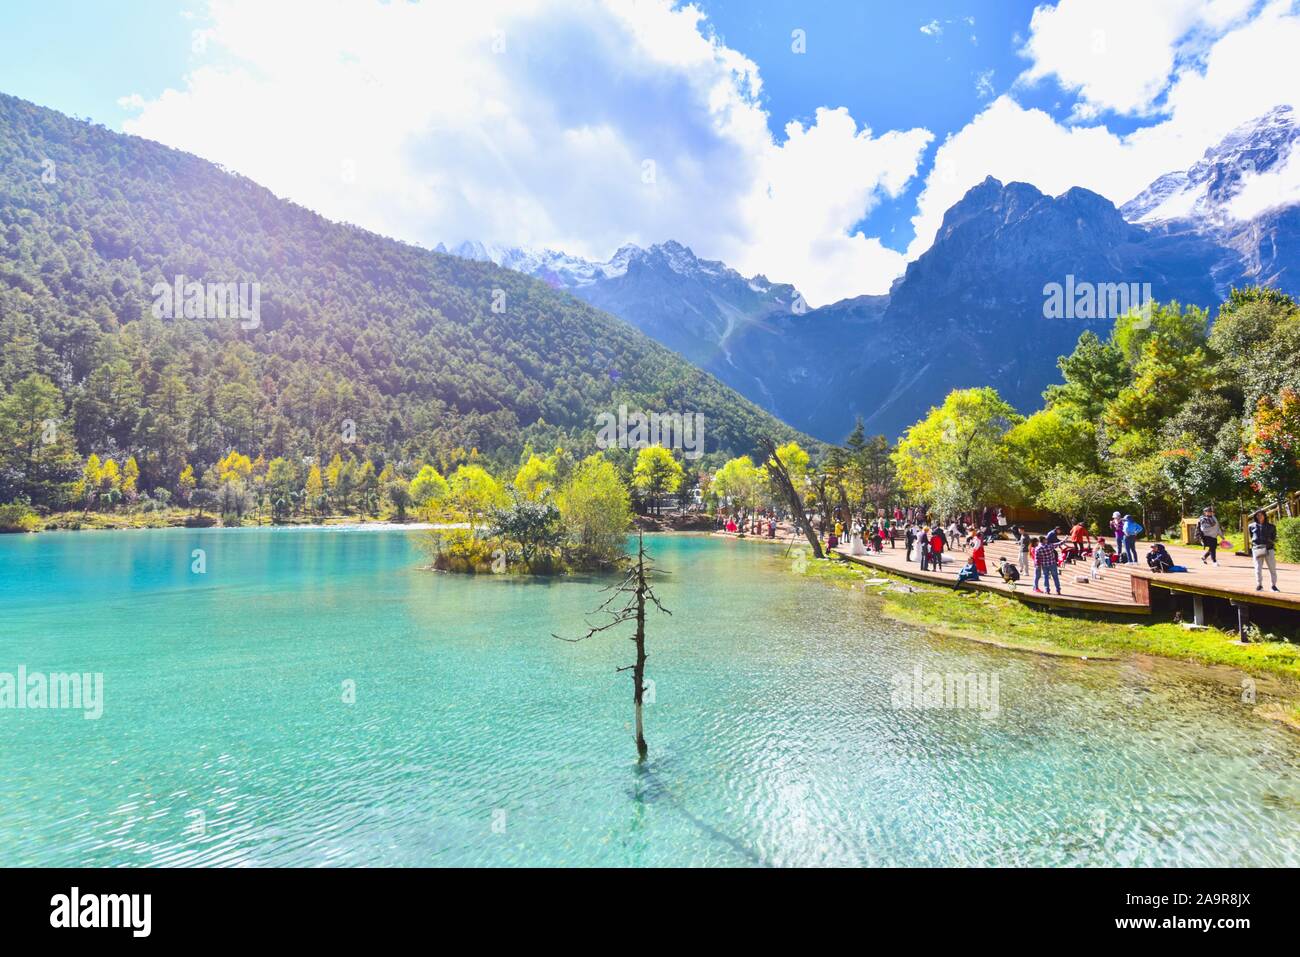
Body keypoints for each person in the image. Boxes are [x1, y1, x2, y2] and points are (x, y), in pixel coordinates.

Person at [1248, 510, 1280, 592]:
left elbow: (1273, 537)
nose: (1259, 517)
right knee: (1258, 568)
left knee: (1272, 568)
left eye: (1261, 515)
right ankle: (1259, 585)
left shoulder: (1271, 526)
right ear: (1255, 517)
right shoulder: (1251, 526)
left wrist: (1269, 543)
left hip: (1269, 549)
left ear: (1264, 516)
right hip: (1257, 549)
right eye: (1257, 515)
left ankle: (1273, 586)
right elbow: (1251, 536)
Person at [1034, 530, 1062, 595]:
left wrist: (1038, 565)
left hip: (1044, 565)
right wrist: (1065, 540)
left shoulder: (1037, 548)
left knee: (1045, 577)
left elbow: (1037, 558)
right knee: (1055, 577)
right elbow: (1058, 544)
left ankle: (1047, 590)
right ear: (1043, 540)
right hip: (1052, 563)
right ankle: (1058, 590)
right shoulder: (1049, 546)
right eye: (1045, 539)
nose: (1047, 540)